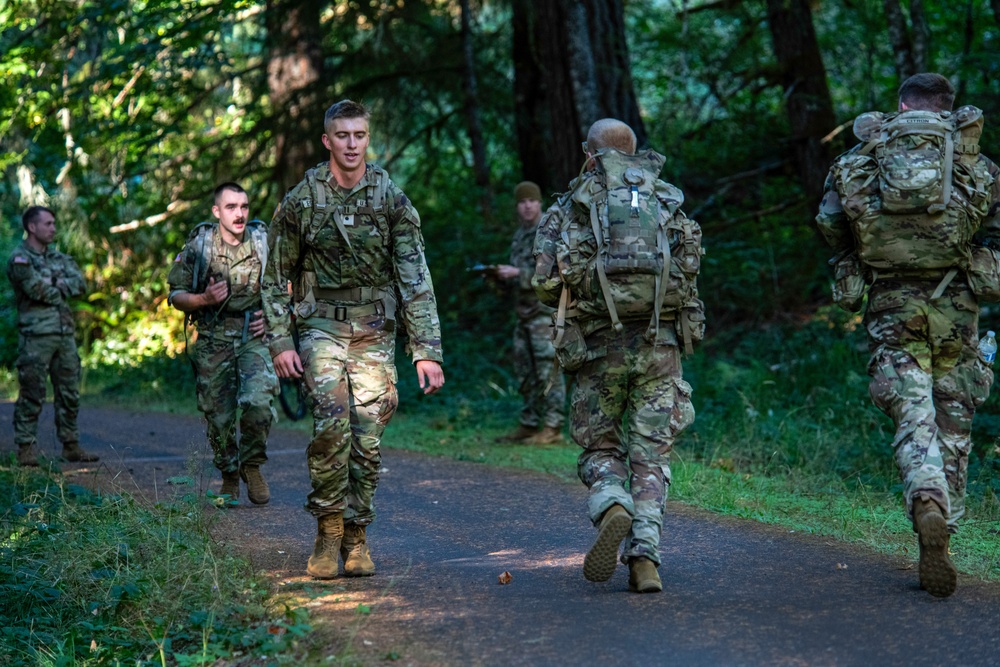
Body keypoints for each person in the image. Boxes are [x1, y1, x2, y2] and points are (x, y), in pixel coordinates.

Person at [816, 73, 1000, 598]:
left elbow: (830, 224)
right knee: (954, 421)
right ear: (946, 109)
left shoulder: (859, 161)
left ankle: (926, 495)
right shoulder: (976, 165)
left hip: (892, 305)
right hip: (958, 307)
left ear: (900, 106)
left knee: (912, 412)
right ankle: (946, 525)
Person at [262, 99, 445, 580]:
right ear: (327, 140)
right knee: (330, 424)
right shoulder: (302, 199)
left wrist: (426, 351)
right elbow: (273, 276)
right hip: (320, 323)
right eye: (341, 135)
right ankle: (328, 530)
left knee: (368, 435)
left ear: (368, 138)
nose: (350, 144)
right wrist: (280, 342)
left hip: (373, 329)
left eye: (358, 135)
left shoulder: (392, 200)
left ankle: (357, 532)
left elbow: (415, 279)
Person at [532, 119, 704, 593]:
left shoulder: (571, 205)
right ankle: (645, 557)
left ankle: (611, 501)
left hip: (597, 347)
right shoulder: (666, 199)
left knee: (602, 447)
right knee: (651, 457)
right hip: (660, 345)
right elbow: (688, 270)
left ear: (589, 154)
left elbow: (545, 282)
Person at [167, 182, 277, 506]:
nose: (239, 213)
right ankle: (229, 473)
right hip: (214, 336)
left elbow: (287, 286)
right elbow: (175, 296)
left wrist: (273, 319)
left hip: (253, 336)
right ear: (217, 211)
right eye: (231, 207)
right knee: (218, 415)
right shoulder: (200, 246)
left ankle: (252, 465)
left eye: (243, 206)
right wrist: (204, 298)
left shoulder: (262, 241)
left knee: (260, 401)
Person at [7, 206, 97, 466]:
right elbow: (35, 290)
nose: (53, 228)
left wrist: (52, 283)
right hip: (36, 335)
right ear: (32, 227)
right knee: (32, 391)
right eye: (48, 223)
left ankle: (71, 445)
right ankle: (25, 448)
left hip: (64, 333)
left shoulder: (59, 257)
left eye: (53, 223)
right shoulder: (20, 259)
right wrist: (58, 284)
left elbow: (79, 284)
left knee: (69, 392)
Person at [492, 181, 566, 445]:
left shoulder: (549, 231)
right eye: (522, 202)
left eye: (531, 201)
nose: (527, 206)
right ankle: (530, 422)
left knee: (548, 370)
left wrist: (518, 274)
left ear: (540, 203)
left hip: (544, 312)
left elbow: (557, 272)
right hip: (524, 313)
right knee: (525, 370)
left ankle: (552, 426)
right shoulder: (521, 234)